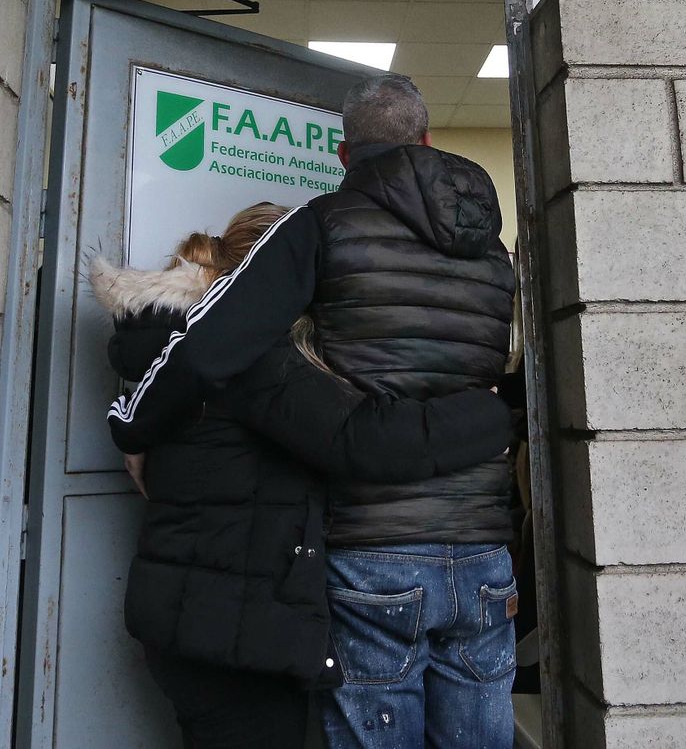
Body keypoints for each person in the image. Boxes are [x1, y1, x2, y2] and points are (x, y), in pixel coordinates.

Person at [107, 75, 518, 749]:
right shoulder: (492, 254)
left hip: (374, 551)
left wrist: (134, 427)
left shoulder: (324, 222)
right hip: (483, 544)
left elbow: (212, 350)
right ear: (427, 141)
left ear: (343, 154)